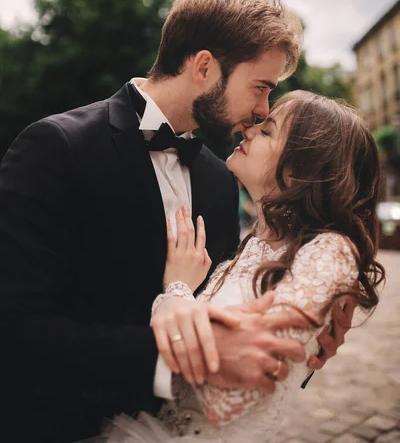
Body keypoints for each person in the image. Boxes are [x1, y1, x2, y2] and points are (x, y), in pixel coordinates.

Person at [0, 0, 346, 443]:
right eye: (260, 87)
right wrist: (183, 357)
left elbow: (223, 298)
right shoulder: (57, 147)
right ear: (204, 66)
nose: (264, 110)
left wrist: (305, 322)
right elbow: (16, 332)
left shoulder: (221, 178)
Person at [102, 90, 385, 443]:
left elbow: (227, 397)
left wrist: (176, 294)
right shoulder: (251, 245)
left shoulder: (330, 251)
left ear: (303, 168)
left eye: (267, 131)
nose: (249, 130)